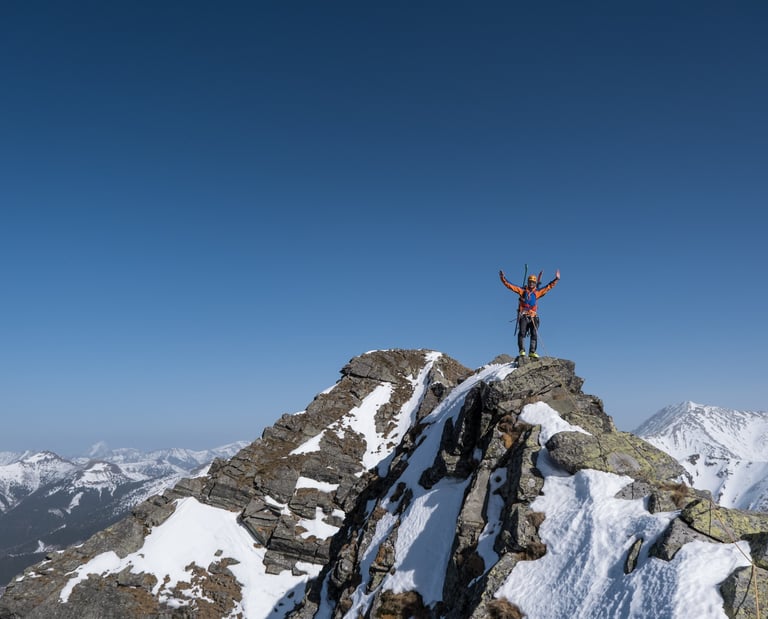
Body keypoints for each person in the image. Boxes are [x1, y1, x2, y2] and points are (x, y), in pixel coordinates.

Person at [499, 269, 560, 358]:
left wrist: (556, 279)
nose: (531, 284)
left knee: (534, 334)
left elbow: (548, 287)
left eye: (533, 282)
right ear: (528, 282)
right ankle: (522, 350)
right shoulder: (522, 290)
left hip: (533, 315)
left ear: (535, 283)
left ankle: (532, 351)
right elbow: (510, 285)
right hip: (524, 315)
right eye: (530, 282)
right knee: (522, 332)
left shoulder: (537, 292)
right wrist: (503, 278)